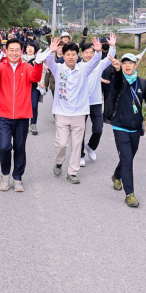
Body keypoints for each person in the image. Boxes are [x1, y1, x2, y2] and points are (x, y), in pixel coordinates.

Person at [106, 53, 146, 207]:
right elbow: (118, 79)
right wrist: (118, 70)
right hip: (119, 126)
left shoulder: (143, 84)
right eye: (124, 63)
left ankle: (117, 175)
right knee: (127, 159)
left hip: (135, 129)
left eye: (130, 63)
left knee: (128, 158)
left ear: (135, 65)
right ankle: (130, 194)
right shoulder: (118, 80)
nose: (127, 65)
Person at [44, 36, 105, 184]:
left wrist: (98, 52)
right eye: (68, 54)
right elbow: (49, 61)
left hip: (79, 113)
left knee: (77, 145)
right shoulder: (58, 68)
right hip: (62, 112)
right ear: (63, 56)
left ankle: (72, 172)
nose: (71, 57)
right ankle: (59, 162)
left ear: (77, 56)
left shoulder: (84, 68)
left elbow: (96, 61)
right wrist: (51, 51)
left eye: (73, 54)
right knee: (61, 144)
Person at [0, 38, 44, 192]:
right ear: (6, 51)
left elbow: (36, 78)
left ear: (21, 52)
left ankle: (17, 177)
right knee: (5, 147)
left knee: (19, 147)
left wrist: (38, 64)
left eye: (17, 50)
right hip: (4, 115)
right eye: (11, 49)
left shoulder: (26, 67)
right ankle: (5, 175)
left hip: (22, 116)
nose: (14, 53)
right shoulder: (1, 66)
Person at [79, 34, 117, 166]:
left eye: (91, 52)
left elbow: (110, 58)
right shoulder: (78, 67)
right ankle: (80, 155)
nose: (89, 55)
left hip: (95, 102)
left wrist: (112, 46)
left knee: (98, 129)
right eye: (86, 53)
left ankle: (91, 147)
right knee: (80, 131)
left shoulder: (99, 65)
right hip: (81, 104)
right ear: (82, 54)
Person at [21, 40, 42, 135]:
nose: (30, 49)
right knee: (23, 105)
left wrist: (41, 82)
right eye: (28, 47)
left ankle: (33, 124)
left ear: (35, 49)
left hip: (34, 86)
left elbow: (43, 71)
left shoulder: (39, 58)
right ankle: (22, 124)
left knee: (34, 105)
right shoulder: (20, 58)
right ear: (25, 49)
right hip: (23, 86)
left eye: (32, 47)